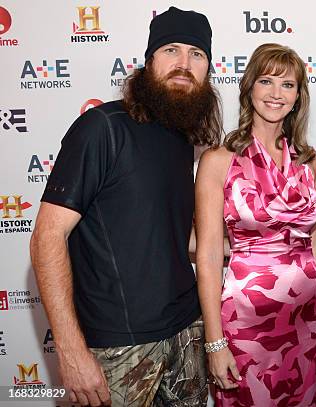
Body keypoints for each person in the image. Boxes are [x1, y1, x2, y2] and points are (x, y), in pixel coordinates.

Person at [29, 7, 222, 406]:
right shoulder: (103, 128)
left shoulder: (182, 138)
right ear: (149, 60)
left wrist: (258, 248)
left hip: (186, 332)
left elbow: (164, 236)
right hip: (120, 348)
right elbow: (47, 238)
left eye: (196, 54)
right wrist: (70, 350)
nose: (184, 64)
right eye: (171, 50)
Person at [195, 43, 316, 406]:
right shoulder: (218, 160)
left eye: (288, 85)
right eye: (266, 81)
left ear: (298, 96)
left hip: (306, 318)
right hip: (247, 324)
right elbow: (210, 255)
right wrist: (215, 342)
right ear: (249, 88)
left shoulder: (307, 161)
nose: (276, 94)